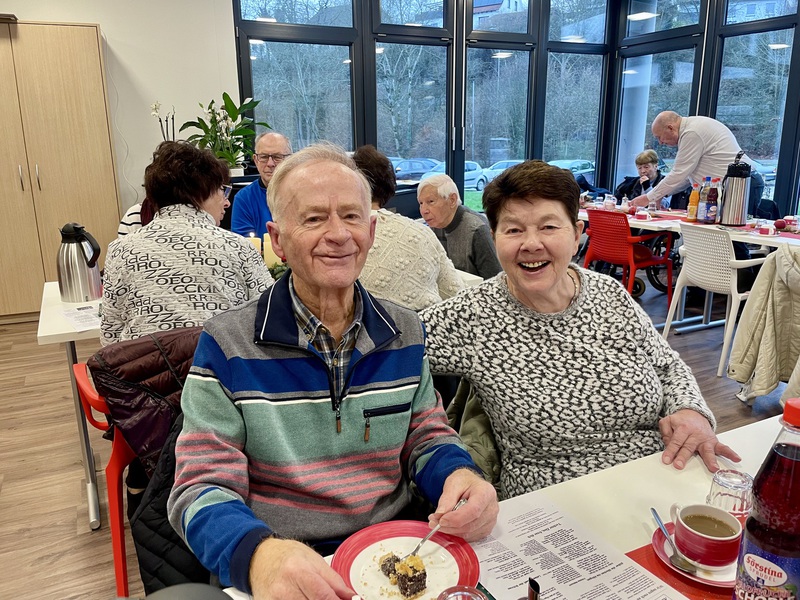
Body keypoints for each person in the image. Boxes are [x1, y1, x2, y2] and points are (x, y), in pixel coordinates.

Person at [167, 143, 499, 599]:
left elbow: (425, 435)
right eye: (314, 219)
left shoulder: (405, 331)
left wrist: (459, 474)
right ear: (278, 240)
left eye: (351, 216)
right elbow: (200, 487)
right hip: (286, 563)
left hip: (395, 550)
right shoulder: (228, 344)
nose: (339, 235)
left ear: (371, 231)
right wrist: (258, 554)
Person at [420, 160, 741, 500]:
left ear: (576, 235)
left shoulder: (609, 294)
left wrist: (691, 411)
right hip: (556, 502)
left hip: (660, 475)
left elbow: (667, 366)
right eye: (513, 230)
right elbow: (392, 348)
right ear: (494, 237)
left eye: (548, 227)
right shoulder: (473, 314)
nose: (531, 243)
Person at [101, 141, 274, 346]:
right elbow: (269, 317)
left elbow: (110, 336)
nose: (227, 202)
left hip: (144, 366)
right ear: (202, 192)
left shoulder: (120, 250)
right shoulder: (238, 247)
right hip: (220, 364)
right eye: (222, 190)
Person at [353, 144, 464, 311]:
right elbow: (456, 294)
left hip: (373, 325)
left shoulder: (343, 238)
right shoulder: (422, 232)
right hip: (426, 322)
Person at [632, 111, 764, 212]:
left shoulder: (692, 132)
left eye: (659, 137)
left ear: (670, 128)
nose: (660, 142)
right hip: (731, 184)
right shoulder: (692, 128)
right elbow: (686, 177)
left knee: (734, 233)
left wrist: (648, 198)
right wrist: (661, 194)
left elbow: (678, 173)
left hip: (741, 183)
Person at [417, 174, 502, 280]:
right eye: (421, 203)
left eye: (430, 202)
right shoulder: (434, 226)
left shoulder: (477, 230)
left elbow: (495, 280)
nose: (424, 210)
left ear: (452, 200)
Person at [230, 131, 292, 238]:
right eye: (264, 157)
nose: (270, 164)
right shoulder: (244, 198)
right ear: (255, 160)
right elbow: (243, 243)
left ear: (289, 159)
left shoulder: (303, 192)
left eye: (277, 157)